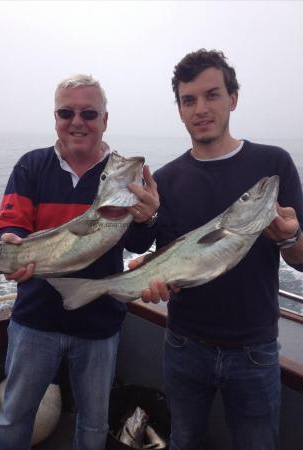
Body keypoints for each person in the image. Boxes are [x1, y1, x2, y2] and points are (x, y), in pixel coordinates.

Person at [129, 49, 303, 450]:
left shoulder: (272, 166)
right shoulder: (167, 179)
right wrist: (149, 231)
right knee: (184, 440)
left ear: (233, 98)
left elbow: (299, 257)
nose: (201, 108)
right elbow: (171, 263)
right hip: (184, 345)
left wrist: (290, 238)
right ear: (179, 109)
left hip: (255, 349)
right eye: (189, 100)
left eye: (212, 95)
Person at [0, 74, 159, 450]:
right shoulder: (31, 167)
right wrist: (8, 244)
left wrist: (148, 217)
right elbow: (9, 226)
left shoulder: (124, 175)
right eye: (66, 112)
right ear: (55, 118)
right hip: (35, 318)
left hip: (99, 323)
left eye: (89, 113)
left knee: (93, 423)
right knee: (15, 415)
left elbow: (137, 240)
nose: (77, 122)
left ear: (105, 119)